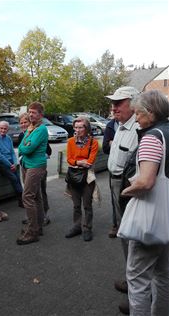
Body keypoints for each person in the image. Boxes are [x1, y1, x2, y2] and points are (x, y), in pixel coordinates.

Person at [120, 89, 169, 315]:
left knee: (137, 279)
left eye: (138, 114)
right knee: (163, 275)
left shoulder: (152, 137)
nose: (136, 118)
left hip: (149, 220)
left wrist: (126, 191)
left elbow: (147, 182)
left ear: (150, 113)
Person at [105, 86, 139, 314]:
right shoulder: (120, 125)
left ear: (134, 104)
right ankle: (131, 280)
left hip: (127, 188)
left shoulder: (140, 128)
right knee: (124, 235)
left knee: (133, 238)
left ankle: (138, 293)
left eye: (120, 102)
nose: (114, 107)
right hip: (113, 181)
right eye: (113, 103)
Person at [16, 102, 48, 245]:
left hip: (35, 166)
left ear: (40, 114)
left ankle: (32, 231)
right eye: (29, 112)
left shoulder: (41, 129)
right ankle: (38, 227)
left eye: (33, 112)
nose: (30, 114)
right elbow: (22, 144)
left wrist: (24, 146)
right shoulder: (31, 127)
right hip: (28, 165)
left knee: (27, 197)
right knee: (36, 197)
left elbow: (26, 149)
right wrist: (25, 145)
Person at [65, 116, 99, 242]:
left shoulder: (93, 142)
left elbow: (90, 162)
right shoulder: (70, 142)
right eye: (76, 127)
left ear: (87, 128)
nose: (78, 130)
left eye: (81, 127)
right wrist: (80, 162)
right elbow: (69, 159)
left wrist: (77, 162)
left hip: (87, 177)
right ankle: (76, 226)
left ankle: (87, 228)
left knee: (87, 205)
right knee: (76, 205)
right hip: (73, 176)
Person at [18, 112, 52, 226]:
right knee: (34, 194)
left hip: (37, 167)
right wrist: (25, 149)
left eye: (25, 122)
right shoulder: (22, 135)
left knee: (40, 192)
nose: (23, 125)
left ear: (30, 122)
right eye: (21, 122)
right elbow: (21, 150)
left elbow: (48, 151)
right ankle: (34, 217)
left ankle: (43, 216)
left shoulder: (38, 132)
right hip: (26, 165)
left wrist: (26, 149)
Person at [0, 121, 23, 207]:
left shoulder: (8, 138)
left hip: (10, 162)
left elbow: (12, 152)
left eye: (5, 129)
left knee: (18, 178)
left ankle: (22, 198)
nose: (3, 130)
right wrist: (10, 165)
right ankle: (21, 200)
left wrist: (15, 163)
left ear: (8, 130)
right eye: (1, 128)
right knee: (14, 178)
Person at [102, 117, 119, 238]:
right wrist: (113, 145)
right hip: (114, 168)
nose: (114, 108)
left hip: (131, 169)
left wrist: (114, 143)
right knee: (114, 199)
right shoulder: (110, 125)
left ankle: (129, 225)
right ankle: (116, 225)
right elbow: (105, 148)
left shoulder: (135, 124)